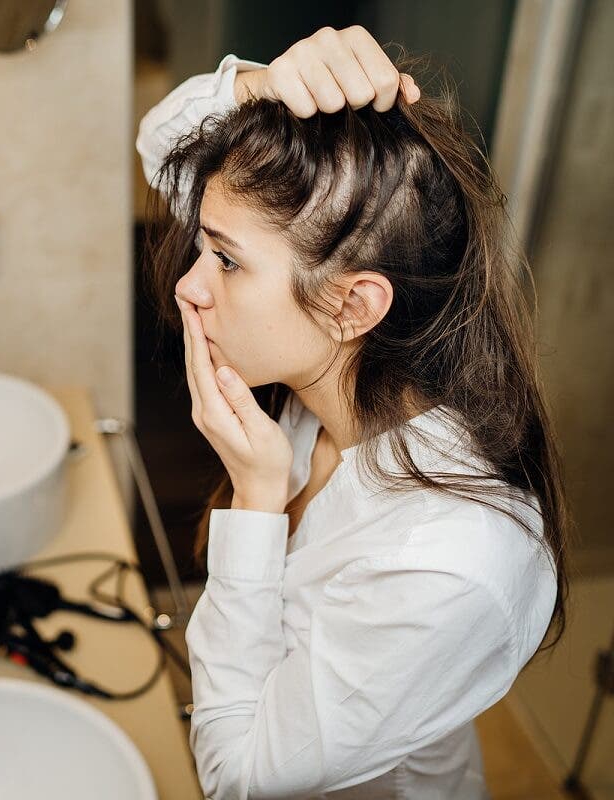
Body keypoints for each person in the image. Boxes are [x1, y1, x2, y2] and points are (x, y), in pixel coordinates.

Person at [136, 25, 569, 799]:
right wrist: (269, 86)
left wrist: (257, 501)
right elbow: (160, 139)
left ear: (353, 305)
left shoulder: (446, 560)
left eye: (226, 261)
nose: (190, 287)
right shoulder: (345, 378)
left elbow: (237, 777)